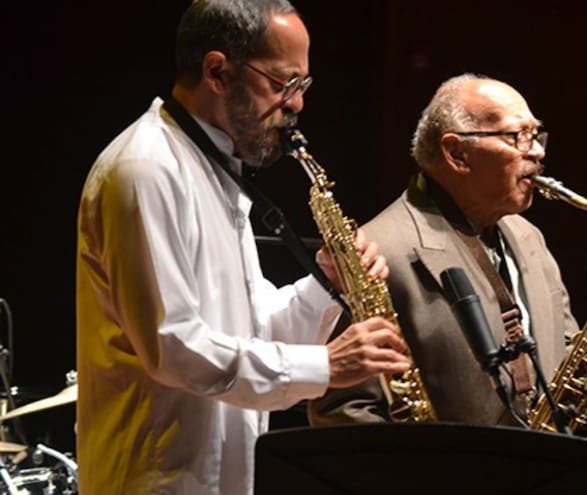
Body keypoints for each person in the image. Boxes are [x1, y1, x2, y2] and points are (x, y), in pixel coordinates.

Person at [75, 1, 411, 493]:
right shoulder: (145, 169)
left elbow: (252, 330)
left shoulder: (213, 167)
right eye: (283, 83)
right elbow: (174, 346)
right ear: (217, 72)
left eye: (303, 86)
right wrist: (325, 366)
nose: (296, 104)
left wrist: (324, 285)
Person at [309, 73, 587, 427]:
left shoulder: (528, 237)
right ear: (457, 153)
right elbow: (345, 410)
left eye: (536, 135)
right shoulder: (376, 253)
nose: (537, 151)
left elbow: (562, 348)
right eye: (517, 136)